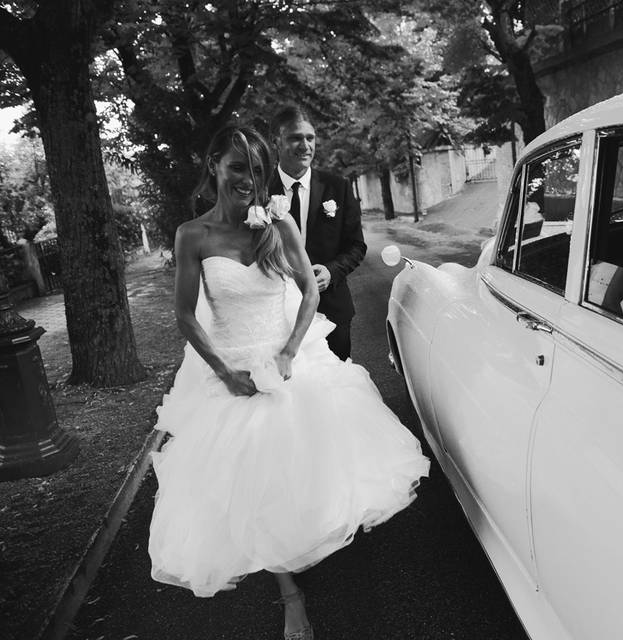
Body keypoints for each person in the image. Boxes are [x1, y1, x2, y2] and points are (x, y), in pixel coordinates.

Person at [148, 124, 429, 640]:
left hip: (289, 360)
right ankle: (290, 595)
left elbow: (309, 292)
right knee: (254, 483)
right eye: (237, 168)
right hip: (232, 369)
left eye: (255, 171)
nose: (248, 180)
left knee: (310, 468)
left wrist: (289, 352)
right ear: (214, 166)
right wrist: (226, 373)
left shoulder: (276, 224)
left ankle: (312, 535)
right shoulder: (193, 235)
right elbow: (186, 318)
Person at [267, 105, 365, 361]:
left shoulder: (338, 187)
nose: (305, 145)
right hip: (278, 313)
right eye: (295, 138)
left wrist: (332, 271)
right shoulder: (260, 191)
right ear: (276, 142)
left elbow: (356, 246)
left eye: (310, 138)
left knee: (336, 388)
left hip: (332, 308)